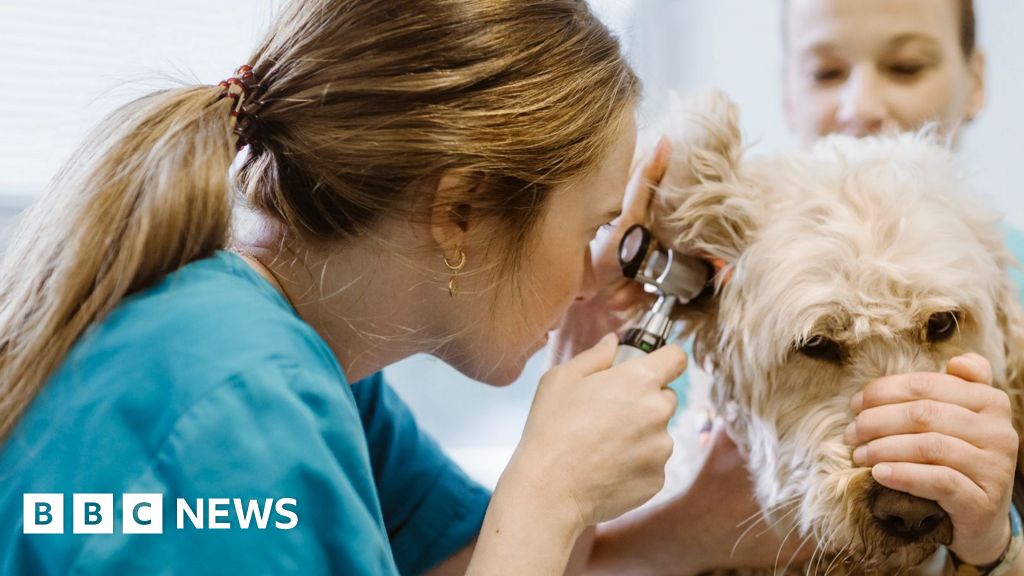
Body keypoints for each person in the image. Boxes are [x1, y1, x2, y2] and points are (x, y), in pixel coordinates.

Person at [0, 1, 690, 574]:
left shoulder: (315, 365)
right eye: (589, 231)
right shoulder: (240, 413)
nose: (582, 282)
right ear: (461, 212)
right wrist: (549, 490)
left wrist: (682, 512)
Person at [586, 0, 1023, 574]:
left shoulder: (999, 266)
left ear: (975, 80)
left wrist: (993, 544)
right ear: (789, 89)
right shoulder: (706, 292)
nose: (862, 105)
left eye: (907, 66)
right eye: (828, 72)